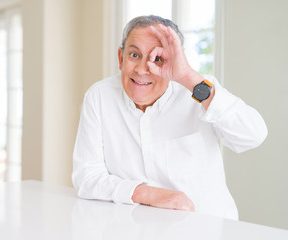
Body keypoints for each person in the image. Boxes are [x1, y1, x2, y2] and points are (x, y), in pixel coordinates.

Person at [72, 15, 267, 220]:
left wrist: (186, 77)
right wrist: (148, 194)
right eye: (134, 55)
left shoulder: (200, 90)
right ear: (121, 58)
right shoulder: (100, 96)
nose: (141, 69)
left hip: (207, 228)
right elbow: (87, 177)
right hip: (135, 229)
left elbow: (253, 135)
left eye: (157, 59)